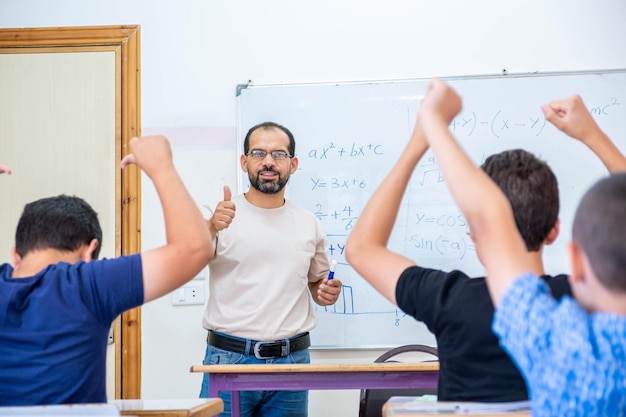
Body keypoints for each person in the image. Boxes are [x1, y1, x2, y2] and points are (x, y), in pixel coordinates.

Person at [345, 91, 626, 401]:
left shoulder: (448, 299)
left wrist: (419, 142)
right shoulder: (583, 303)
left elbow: (362, 248)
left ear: (475, 232)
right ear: (554, 230)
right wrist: (592, 135)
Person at [0, 135, 213, 406]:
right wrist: (161, 167)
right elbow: (195, 249)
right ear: (90, 251)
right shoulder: (86, 283)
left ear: (15, 255)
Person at [199, 121, 343, 417]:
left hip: (291, 363)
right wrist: (211, 227)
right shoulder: (220, 217)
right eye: (258, 153)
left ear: (293, 163)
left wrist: (325, 291)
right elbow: (185, 263)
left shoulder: (308, 223)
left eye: (278, 154)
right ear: (244, 162)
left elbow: (317, 285)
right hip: (229, 359)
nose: (268, 162)